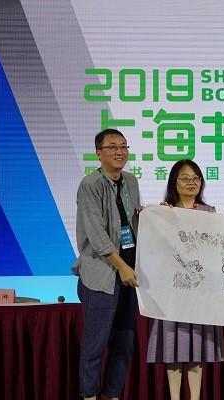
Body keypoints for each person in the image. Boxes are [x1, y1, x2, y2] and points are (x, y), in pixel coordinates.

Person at [146, 160, 224, 400]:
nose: (191, 183)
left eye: (196, 178)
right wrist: (154, 219)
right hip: (171, 291)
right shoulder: (163, 212)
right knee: (173, 347)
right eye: (185, 178)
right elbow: (153, 250)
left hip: (200, 292)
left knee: (196, 349)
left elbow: (217, 251)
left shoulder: (209, 213)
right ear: (174, 182)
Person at [73, 128, 141, 400]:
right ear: (98, 153)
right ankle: (89, 395)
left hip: (130, 275)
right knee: (95, 345)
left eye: (123, 147)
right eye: (113, 147)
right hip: (102, 275)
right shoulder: (90, 184)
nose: (120, 152)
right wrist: (121, 266)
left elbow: (132, 222)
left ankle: (113, 395)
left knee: (124, 343)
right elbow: (96, 233)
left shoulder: (130, 181)